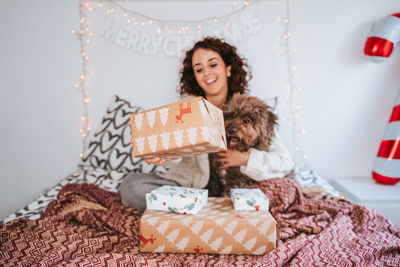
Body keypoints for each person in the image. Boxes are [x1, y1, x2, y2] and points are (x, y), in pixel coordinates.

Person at [119, 37, 294, 212]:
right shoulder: (188, 108)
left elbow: (285, 162)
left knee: (283, 189)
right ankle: (202, 209)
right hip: (191, 189)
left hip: (239, 190)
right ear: (195, 77)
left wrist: (245, 159)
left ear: (228, 69)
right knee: (131, 186)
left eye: (213, 65)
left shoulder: (249, 109)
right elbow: (177, 150)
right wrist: (163, 153)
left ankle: (190, 212)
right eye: (199, 69)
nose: (207, 73)